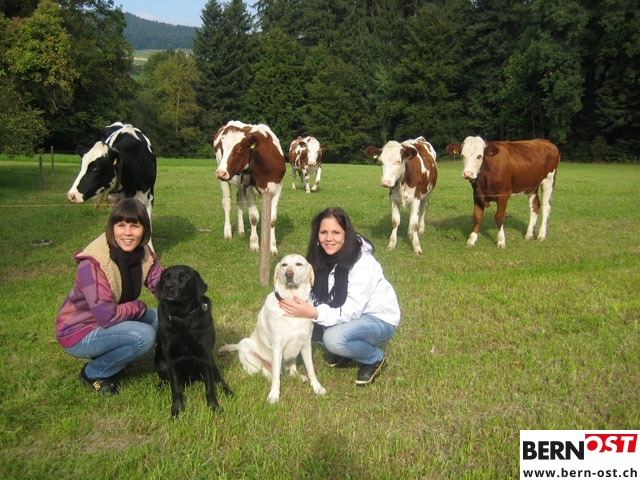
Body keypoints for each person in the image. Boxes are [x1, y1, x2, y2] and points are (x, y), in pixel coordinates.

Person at [278, 206, 401, 386]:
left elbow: (352, 309)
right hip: (351, 315)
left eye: (336, 232)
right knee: (314, 330)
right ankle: (347, 352)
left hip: (378, 319)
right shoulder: (318, 256)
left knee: (333, 339)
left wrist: (314, 313)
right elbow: (310, 292)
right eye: (324, 232)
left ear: (346, 234)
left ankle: (374, 358)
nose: (329, 238)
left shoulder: (362, 262)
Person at [55, 198, 163, 395]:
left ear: (144, 230)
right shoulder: (93, 263)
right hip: (80, 331)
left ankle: (120, 354)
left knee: (162, 319)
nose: (128, 233)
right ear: (112, 227)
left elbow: (161, 285)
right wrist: (139, 307)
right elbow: (107, 316)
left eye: (135, 226)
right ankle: (94, 372)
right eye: (121, 225)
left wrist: (191, 304)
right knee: (144, 336)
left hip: (111, 320)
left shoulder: (142, 252)